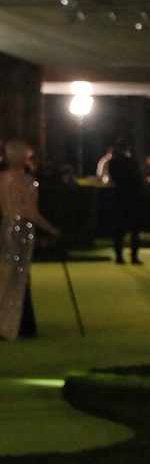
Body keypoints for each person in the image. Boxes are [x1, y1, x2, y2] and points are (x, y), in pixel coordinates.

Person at [0, 137, 58, 340]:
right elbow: (31, 212)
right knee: (20, 275)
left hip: (6, 227)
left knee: (6, 275)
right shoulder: (27, 181)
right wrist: (51, 229)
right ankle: (21, 325)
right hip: (22, 230)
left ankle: (8, 323)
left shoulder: (2, 178)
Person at [107, 137, 142, 263]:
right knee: (134, 230)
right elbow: (138, 178)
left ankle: (119, 256)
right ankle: (134, 256)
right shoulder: (131, 162)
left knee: (119, 230)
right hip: (131, 198)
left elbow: (113, 178)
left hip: (118, 198)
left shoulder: (113, 162)